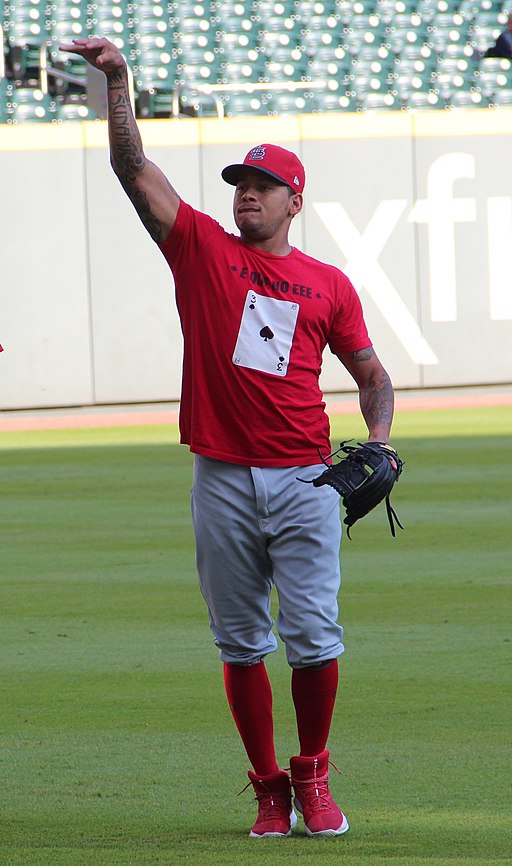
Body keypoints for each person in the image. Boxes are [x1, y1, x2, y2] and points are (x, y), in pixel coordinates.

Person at [60, 37, 397, 839]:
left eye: (264, 184)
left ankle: (313, 776)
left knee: (313, 637)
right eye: (242, 182)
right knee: (241, 641)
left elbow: (373, 375)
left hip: (308, 479)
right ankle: (267, 788)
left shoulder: (330, 284)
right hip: (220, 477)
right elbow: (133, 174)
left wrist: (379, 440)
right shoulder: (202, 250)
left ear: (294, 201)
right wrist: (119, 82)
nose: (247, 193)